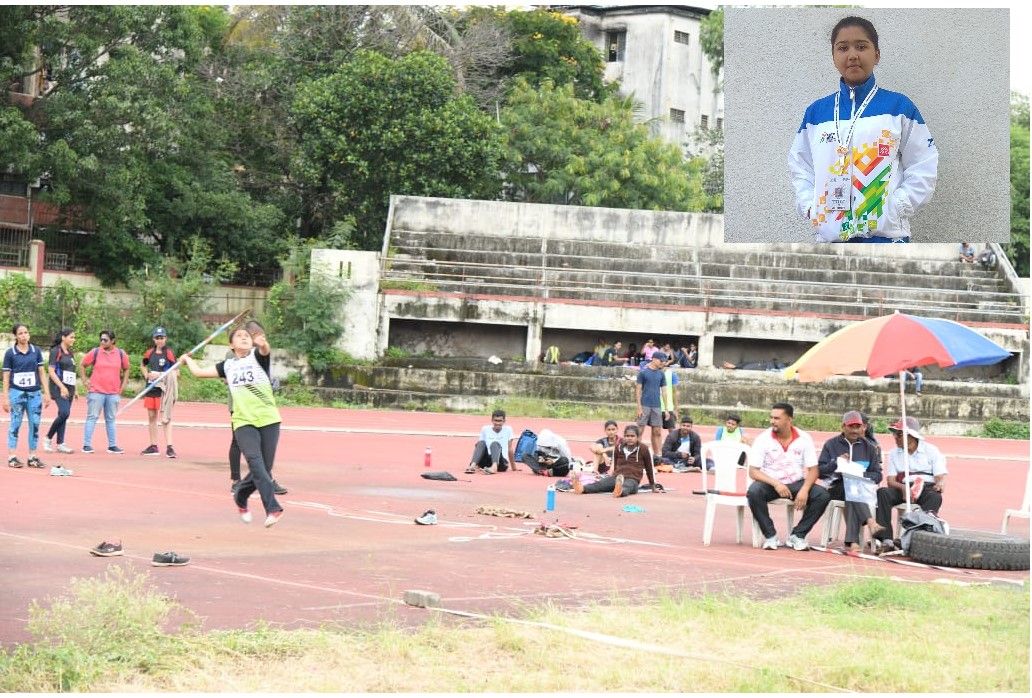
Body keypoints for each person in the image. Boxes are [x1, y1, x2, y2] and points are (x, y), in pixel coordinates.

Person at [788, 16, 938, 243]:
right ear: (833, 56)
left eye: (861, 46)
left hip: (887, 240)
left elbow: (923, 163)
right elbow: (801, 167)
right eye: (843, 48)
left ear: (876, 54)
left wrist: (896, 207)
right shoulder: (816, 113)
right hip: (831, 241)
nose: (852, 55)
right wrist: (811, 206)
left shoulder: (898, 108)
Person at [183, 325, 285, 528]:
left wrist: (263, 344)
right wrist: (187, 360)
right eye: (239, 336)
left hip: (268, 418)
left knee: (264, 468)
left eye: (247, 336)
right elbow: (199, 373)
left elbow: (265, 350)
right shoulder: (227, 366)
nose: (244, 338)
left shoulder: (257, 357)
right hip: (243, 421)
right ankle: (272, 507)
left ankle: (241, 495)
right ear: (231, 345)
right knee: (255, 462)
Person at [747, 402, 830, 551]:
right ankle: (771, 536)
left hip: (796, 483)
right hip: (770, 483)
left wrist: (804, 490)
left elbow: (813, 470)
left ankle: (797, 535)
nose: (772, 421)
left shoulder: (804, 438)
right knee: (754, 492)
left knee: (822, 495)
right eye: (771, 417)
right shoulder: (763, 439)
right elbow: (753, 471)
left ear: (789, 420)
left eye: (777, 418)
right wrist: (776, 484)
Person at [227, 321, 287, 495]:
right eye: (260, 336)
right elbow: (226, 375)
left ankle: (267, 478)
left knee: (263, 445)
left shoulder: (258, 354)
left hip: (258, 405)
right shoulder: (233, 354)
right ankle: (236, 480)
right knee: (237, 442)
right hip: (239, 404)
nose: (263, 339)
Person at [872, 416, 947, 552]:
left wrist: (940, 484)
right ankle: (886, 540)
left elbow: (940, 477)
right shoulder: (894, 453)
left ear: (911, 435)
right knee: (882, 493)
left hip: (925, 488)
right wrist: (903, 488)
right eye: (894, 434)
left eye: (899, 434)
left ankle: (911, 539)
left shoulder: (931, 450)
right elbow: (891, 480)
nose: (895, 437)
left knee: (935, 497)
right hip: (902, 487)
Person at [816, 410, 884, 551]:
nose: (855, 430)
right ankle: (871, 522)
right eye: (851, 426)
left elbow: (878, 475)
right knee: (851, 486)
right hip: (836, 488)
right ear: (843, 426)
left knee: (853, 488)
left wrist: (860, 474)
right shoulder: (831, 444)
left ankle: (852, 541)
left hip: (861, 490)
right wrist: (836, 463)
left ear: (862, 427)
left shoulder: (869, 448)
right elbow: (820, 472)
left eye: (857, 427)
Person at [3, 324, 51, 469]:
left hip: (34, 394)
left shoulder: (36, 351)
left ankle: (32, 457)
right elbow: (6, 377)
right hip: (17, 393)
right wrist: (6, 398)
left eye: (26, 332)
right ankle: (12, 457)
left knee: (35, 425)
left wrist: (46, 392)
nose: (24, 335)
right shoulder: (10, 353)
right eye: (20, 333)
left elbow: (41, 372)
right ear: (16, 336)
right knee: (15, 424)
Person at [78, 329, 129, 454]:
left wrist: (123, 385)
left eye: (105, 340)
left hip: (113, 392)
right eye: (101, 339)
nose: (102, 342)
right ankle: (86, 445)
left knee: (110, 419)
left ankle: (112, 445)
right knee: (92, 417)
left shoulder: (120, 353)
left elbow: (127, 368)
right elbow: (82, 365)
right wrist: (84, 381)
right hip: (96, 391)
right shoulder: (96, 352)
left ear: (113, 341)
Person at [572, 424, 658, 497]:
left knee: (627, 486)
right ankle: (582, 488)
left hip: (633, 479)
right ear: (624, 436)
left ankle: (619, 491)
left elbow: (649, 468)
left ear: (638, 437)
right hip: (617, 477)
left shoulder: (644, 449)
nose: (629, 438)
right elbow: (615, 464)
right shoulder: (618, 447)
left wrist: (653, 486)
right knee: (600, 484)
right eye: (627, 436)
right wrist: (612, 476)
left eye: (632, 436)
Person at [140, 327, 178, 458]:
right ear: (154, 339)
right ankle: (154, 446)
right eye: (157, 338)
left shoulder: (169, 353)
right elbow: (143, 365)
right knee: (152, 416)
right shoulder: (149, 353)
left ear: (165, 339)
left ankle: (170, 447)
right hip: (151, 388)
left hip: (164, 389)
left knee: (166, 418)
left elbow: (176, 372)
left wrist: (160, 375)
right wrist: (147, 375)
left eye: (162, 338)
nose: (160, 340)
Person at [44, 328, 77, 455]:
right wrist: (62, 387)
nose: (73, 340)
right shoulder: (55, 351)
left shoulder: (70, 353)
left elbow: (72, 372)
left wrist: (75, 389)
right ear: (63, 337)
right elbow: (51, 371)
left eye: (74, 337)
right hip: (58, 388)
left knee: (64, 415)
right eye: (71, 337)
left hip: (70, 388)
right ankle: (48, 438)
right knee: (64, 413)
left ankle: (61, 444)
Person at [635, 351, 667, 459]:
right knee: (639, 430)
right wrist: (639, 407)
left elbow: (664, 391)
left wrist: (666, 408)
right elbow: (638, 390)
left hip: (657, 405)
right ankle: (637, 453)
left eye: (663, 361)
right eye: (661, 360)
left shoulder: (661, 374)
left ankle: (658, 455)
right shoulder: (643, 372)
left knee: (657, 431)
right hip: (645, 404)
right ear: (654, 359)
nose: (662, 363)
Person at [465, 409, 518, 474]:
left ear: (504, 421)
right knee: (481, 443)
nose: (498, 423)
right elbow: (480, 447)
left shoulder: (508, 429)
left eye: (500, 421)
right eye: (496, 420)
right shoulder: (485, 429)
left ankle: (494, 467)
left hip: (501, 463)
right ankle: (472, 466)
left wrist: (514, 467)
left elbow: (510, 449)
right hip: (487, 461)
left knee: (495, 443)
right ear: (492, 420)